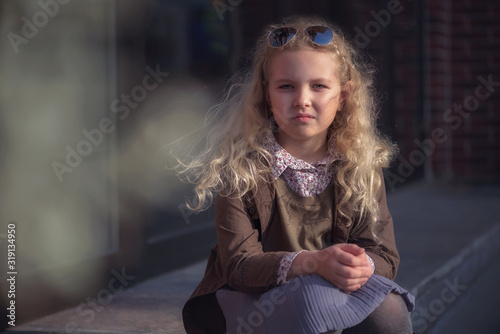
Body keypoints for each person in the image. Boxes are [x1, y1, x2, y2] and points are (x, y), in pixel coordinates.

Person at [175, 15, 415, 334]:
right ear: (266, 94)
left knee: (390, 311)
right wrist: (312, 263)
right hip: (253, 300)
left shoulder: (359, 165)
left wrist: (361, 265)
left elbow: (384, 252)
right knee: (313, 301)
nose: (302, 100)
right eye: (287, 86)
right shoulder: (242, 167)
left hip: (329, 293)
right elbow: (239, 266)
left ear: (343, 96)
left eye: (318, 86)